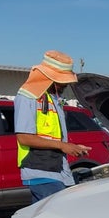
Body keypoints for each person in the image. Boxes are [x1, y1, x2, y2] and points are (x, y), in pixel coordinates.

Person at [14, 50, 91, 203]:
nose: (66, 84)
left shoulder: (53, 98)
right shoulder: (28, 97)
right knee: (58, 215)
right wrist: (63, 146)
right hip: (39, 170)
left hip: (58, 169)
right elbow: (24, 137)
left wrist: (71, 147)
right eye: (63, 80)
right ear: (50, 77)